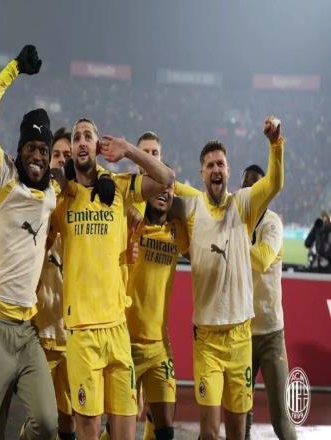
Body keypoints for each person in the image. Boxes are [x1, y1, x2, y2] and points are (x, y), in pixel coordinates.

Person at [50, 118, 175, 440]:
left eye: (87, 136)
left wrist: (128, 150)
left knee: (124, 430)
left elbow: (166, 179)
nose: (81, 141)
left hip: (118, 330)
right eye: (76, 137)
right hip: (81, 332)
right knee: (89, 429)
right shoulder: (62, 197)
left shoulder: (119, 187)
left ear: (97, 146)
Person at [173, 117, 284, 440]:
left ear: (228, 171)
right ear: (202, 174)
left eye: (220, 164)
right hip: (207, 340)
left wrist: (275, 144)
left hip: (240, 338)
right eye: (210, 165)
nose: (216, 169)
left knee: (238, 431)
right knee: (209, 433)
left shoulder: (243, 204)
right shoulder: (192, 206)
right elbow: (167, 185)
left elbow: (274, 183)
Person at [0, 45, 57, 440]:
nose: (37, 156)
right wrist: (13, 69)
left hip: (28, 330)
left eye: (43, 150)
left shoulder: (53, 191)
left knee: (48, 423)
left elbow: (84, 167)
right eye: (30, 149)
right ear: (19, 151)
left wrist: (105, 180)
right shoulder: (1, 176)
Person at [125, 184, 188, 440]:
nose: (164, 192)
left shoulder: (177, 232)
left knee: (165, 430)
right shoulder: (131, 223)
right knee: (119, 430)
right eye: (158, 186)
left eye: (169, 189)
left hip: (160, 347)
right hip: (125, 344)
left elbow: (202, 206)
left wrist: (174, 187)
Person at [241, 164, 296, 440]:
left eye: (257, 184)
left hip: (271, 333)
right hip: (241, 333)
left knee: (281, 420)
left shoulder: (272, 223)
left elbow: (262, 259)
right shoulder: (236, 220)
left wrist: (232, 244)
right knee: (240, 418)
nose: (252, 190)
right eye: (247, 185)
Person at [35, 127, 75, 440]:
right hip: (41, 333)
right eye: (56, 155)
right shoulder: (37, 204)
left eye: (67, 156)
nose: (61, 160)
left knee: (69, 421)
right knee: (42, 423)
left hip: (73, 335)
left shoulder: (84, 209)